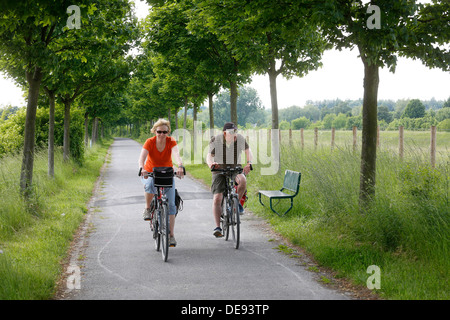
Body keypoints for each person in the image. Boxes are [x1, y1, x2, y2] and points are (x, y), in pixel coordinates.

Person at [138, 118, 184, 247]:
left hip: (167, 172)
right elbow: (142, 158)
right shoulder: (149, 142)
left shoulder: (171, 141)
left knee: (171, 206)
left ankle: (171, 236)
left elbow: (176, 154)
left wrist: (180, 166)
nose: (162, 135)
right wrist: (142, 168)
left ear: (168, 132)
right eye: (159, 132)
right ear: (154, 131)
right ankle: (148, 208)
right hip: (151, 171)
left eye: (165, 132)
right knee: (148, 184)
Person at [206, 122, 253, 238]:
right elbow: (209, 156)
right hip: (219, 170)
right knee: (218, 197)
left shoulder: (240, 139)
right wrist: (211, 164)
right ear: (224, 133)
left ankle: (235, 204)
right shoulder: (216, 139)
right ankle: (218, 227)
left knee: (242, 181)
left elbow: (248, 151)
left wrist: (249, 163)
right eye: (231, 132)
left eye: (235, 132)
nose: (233, 134)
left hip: (235, 169)